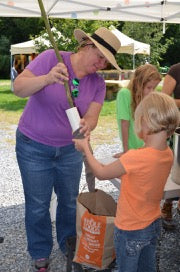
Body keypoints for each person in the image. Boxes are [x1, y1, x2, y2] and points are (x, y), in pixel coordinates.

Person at [13, 27, 121, 271]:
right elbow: (18, 88)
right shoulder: (52, 58)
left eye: (107, 61)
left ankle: (68, 243)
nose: (102, 64)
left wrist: (87, 125)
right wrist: (47, 78)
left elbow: (93, 116)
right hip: (33, 146)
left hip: (70, 151)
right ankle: (40, 251)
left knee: (70, 202)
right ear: (87, 46)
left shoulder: (97, 83)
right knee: (38, 203)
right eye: (101, 56)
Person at [73, 92, 180, 272]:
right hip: (153, 224)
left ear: (145, 122)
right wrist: (129, 159)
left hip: (130, 230)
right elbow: (145, 166)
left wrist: (85, 149)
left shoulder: (135, 158)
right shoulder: (167, 153)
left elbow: (100, 173)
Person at [114, 64, 162, 158]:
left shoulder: (148, 97)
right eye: (149, 87)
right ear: (138, 83)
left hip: (147, 147)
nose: (152, 91)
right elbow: (124, 123)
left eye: (154, 88)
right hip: (132, 148)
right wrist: (125, 151)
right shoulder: (124, 94)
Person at [161, 63, 180, 230]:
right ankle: (167, 206)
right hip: (178, 127)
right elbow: (163, 98)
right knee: (176, 168)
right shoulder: (176, 70)